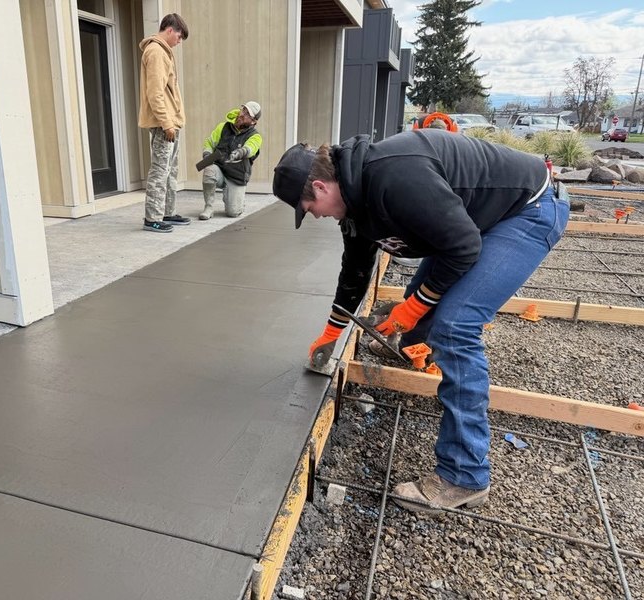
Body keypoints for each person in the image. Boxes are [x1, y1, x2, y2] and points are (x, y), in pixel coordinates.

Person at [272, 130, 569, 513]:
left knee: (454, 326)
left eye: (308, 207)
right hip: (473, 219)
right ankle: (426, 356)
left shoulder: (395, 178)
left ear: (319, 185)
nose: (313, 215)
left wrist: (413, 307)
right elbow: (355, 271)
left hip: (528, 208)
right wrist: (332, 331)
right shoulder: (354, 200)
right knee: (418, 314)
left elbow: (462, 249)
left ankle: (465, 475)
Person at [138, 13, 190, 233]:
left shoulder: (164, 52)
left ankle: (166, 212)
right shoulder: (156, 52)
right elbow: (155, 93)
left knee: (170, 171)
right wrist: (167, 123)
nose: (179, 42)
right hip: (164, 124)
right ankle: (153, 218)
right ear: (170, 30)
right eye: (178, 37)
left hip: (170, 122)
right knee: (160, 171)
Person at [199, 102, 263, 220]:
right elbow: (209, 142)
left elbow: (251, 147)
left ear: (253, 121)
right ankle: (208, 207)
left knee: (233, 213)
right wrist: (207, 154)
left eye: (248, 114)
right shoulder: (223, 127)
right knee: (209, 169)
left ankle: (234, 198)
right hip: (220, 170)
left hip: (236, 176)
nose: (242, 114)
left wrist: (241, 152)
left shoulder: (255, 136)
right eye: (243, 110)